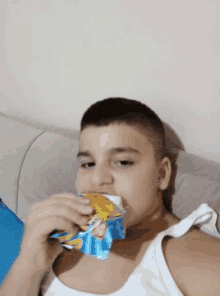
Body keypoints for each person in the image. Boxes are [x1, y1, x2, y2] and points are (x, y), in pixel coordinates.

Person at [1, 97, 220, 296]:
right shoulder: (62, 243)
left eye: (123, 162)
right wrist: (29, 263)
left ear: (162, 174)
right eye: (88, 164)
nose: (97, 179)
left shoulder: (184, 256)